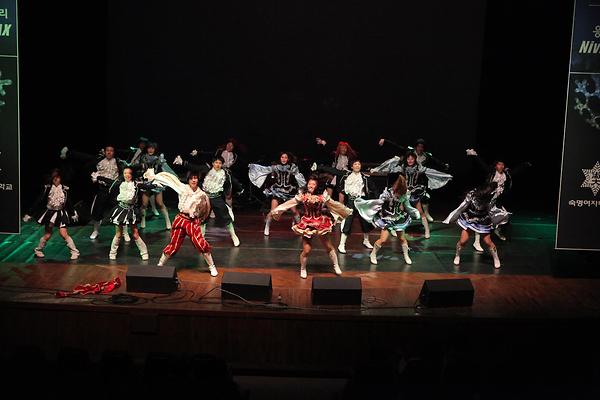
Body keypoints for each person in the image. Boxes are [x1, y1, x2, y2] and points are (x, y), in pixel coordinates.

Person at [271, 175, 352, 278]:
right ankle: (303, 269)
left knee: (328, 246)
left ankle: (336, 266)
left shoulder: (322, 195)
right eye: (309, 183)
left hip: (320, 222)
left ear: (317, 186)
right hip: (307, 224)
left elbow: (333, 204)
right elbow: (290, 203)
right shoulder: (303, 195)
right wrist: (278, 210)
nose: (311, 186)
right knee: (307, 250)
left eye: (313, 184)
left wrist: (344, 211)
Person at [144, 168, 219, 276]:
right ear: (188, 180)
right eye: (191, 178)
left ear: (198, 180)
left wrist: (201, 218)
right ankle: (160, 265)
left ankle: (212, 266)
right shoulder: (183, 188)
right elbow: (170, 180)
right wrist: (155, 177)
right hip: (180, 219)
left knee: (200, 244)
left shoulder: (201, 194)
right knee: (173, 245)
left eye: (195, 178)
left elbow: (206, 209)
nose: (194, 180)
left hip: (192, 221)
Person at [370, 152, 452, 239]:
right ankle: (396, 229)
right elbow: (389, 168)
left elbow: (432, 172)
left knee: (420, 211)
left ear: (414, 160)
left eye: (412, 159)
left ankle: (427, 230)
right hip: (404, 192)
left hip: (414, 192)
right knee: (399, 211)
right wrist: (376, 169)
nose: (410, 160)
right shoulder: (402, 168)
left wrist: (445, 175)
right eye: (408, 159)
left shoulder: (419, 168)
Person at [466, 148, 531, 248]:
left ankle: (497, 230)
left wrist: (524, 165)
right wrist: (475, 155)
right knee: (480, 219)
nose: (501, 166)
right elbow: (482, 164)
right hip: (485, 200)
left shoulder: (506, 175)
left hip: (496, 201)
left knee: (504, 217)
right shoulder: (491, 172)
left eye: (502, 165)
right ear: (495, 165)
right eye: (499, 164)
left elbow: (516, 171)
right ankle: (476, 242)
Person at [60, 145, 126, 240]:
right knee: (97, 210)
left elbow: (125, 171)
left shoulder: (118, 162)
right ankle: (96, 231)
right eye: (107, 150)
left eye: (111, 151)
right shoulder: (99, 160)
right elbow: (84, 159)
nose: (109, 152)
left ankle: (124, 232)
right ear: (104, 151)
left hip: (114, 190)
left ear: (114, 152)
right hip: (102, 189)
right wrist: (93, 176)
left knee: (120, 210)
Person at [173, 155, 240, 247]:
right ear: (213, 163)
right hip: (205, 197)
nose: (218, 164)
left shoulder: (225, 173)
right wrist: (183, 162)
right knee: (202, 218)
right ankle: (202, 238)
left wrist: (240, 188)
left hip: (217, 197)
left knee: (226, 217)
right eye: (216, 162)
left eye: (220, 163)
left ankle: (233, 235)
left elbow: (233, 181)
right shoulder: (207, 169)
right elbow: (194, 167)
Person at [378, 137, 449, 222]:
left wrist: (444, 165)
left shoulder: (425, 157)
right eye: (418, 146)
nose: (420, 148)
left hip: (418, 181)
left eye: (422, 147)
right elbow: (397, 147)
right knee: (401, 199)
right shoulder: (408, 156)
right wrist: (386, 142)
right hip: (406, 181)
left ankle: (426, 213)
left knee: (424, 197)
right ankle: (399, 218)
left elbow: (435, 162)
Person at [443, 182, 510, 268]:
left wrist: (498, 217)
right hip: (470, 218)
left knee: (488, 241)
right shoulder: (472, 194)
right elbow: (463, 205)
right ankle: (457, 255)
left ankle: (496, 258)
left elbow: (491, 210)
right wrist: (454, 216)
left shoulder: (491, 197)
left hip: (482, 220)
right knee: (463, 240)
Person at [355, 175, 420, 265]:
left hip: (398, 218)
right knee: (383, 239)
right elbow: (379, 202)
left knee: (402, 238)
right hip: (387, 219)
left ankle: (406, 255)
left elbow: (407, 206)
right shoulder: (387, 193)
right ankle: (373, 254)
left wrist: (415, 213)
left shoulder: (405, 194)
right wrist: (374, 207)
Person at [23, 169, 80, 260]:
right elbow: (39, 201)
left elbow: (69, 202)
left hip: (61, 213)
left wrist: (73, 213)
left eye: (58, 177)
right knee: (48, 234)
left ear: (61, 178)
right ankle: (38, 250)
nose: (56, 179)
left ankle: (74, 251)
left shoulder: (65, 189)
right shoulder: (48, 188)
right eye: (54, 177)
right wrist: (29, 213)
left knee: (63, 233)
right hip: (50, 214)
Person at [249, 152, 306, 236]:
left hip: (289, 191)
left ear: (288, 159)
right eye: (282, 157)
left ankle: (300, 229)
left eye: (285, 157)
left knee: (294, 211)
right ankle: (267, 226)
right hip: (278, 191)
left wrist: (301, 189)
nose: (284, 159)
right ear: (280, 158)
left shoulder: (292, 167)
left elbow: (299, 178)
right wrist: (253, 167)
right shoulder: (275, 167)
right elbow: (264, 169)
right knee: (273, 211)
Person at [106, 167, 152, 260]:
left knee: (135, 234)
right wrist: (99, 177)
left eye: (129, 173)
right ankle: (112, 252)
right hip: (121, 209)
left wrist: (156, 183)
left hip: (131, 211)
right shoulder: (120, 184)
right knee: (119, 234)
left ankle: (144, 252)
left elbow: (148, 186)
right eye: (125, 173)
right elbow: (109, 182)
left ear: (132, 174)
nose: (127, 175)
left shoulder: (136, 184)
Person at [336, 160, 377, 253]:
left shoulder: (364, 177)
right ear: (352, 166)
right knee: (348, 221)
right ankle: (341, 244)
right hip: (351, 201)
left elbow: (373, 188)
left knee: (365, 221)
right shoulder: (347, 175)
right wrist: (319, 167)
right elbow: (334, 171)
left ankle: (366, 240)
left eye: (359, 164)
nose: (357, 165)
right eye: (355, 164)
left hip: (361, 201)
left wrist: (377, 199)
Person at [134, 142, 173, 230]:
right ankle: (143, 220)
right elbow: (139, 167)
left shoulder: (158, 157)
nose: (150, 150)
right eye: (149, 148)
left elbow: (164, 167)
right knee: (144, 204)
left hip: (156, 181)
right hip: (146, 182)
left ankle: (167, 220)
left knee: (160, 203)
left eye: (152, 148)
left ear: (155, 149)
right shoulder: (143, 157)